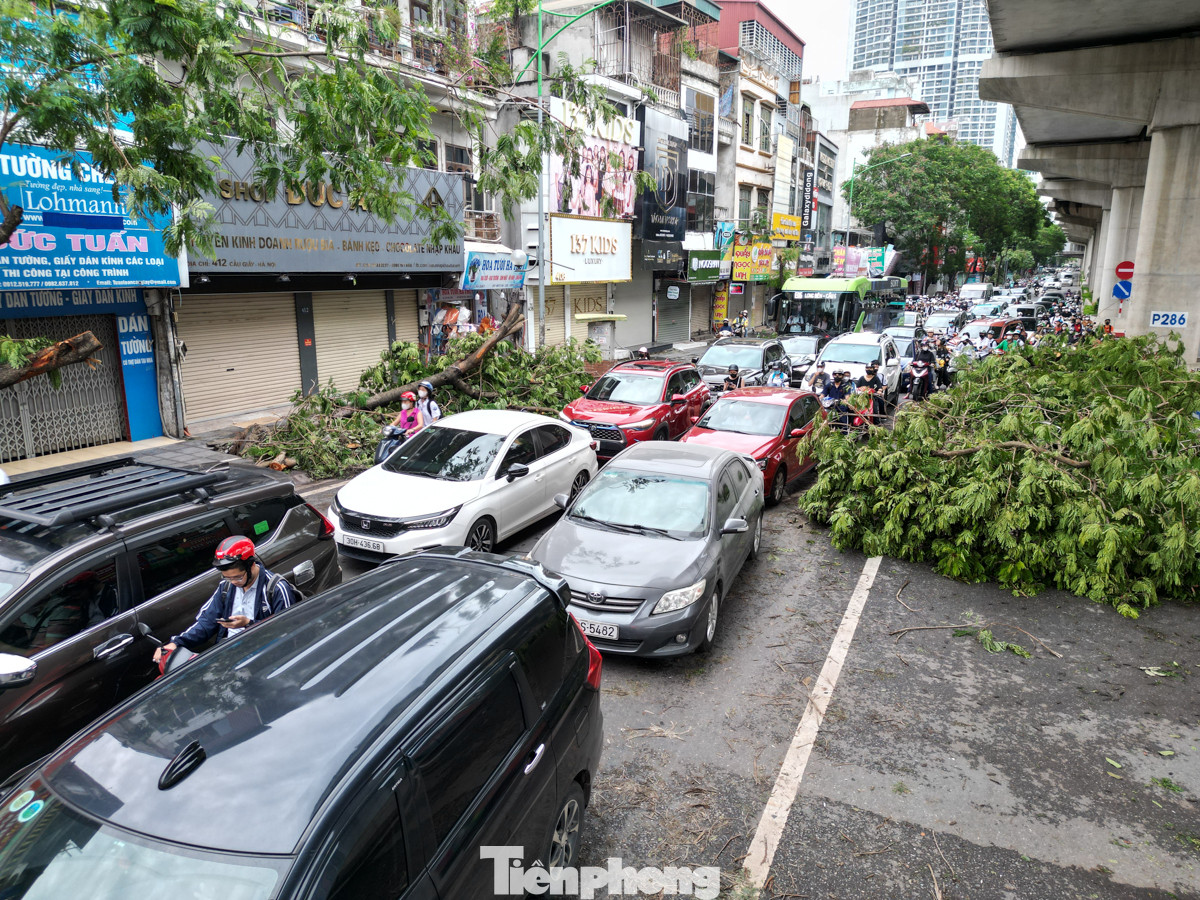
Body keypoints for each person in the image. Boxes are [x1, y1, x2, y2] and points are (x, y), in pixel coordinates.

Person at [154, 536, 294, 664]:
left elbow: (288, 631)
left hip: (264, 657)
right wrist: (176, 642)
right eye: (227, 577)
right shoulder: (225, 587)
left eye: (238, 577)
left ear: (251, 565)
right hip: (228, 656)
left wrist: (248, 624)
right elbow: (206, 623)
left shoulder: (277, 589)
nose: (233, 582)